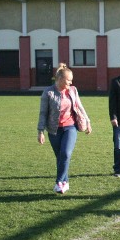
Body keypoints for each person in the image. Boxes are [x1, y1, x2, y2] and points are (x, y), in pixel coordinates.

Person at [37, 63, 92, 194]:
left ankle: (59, 182)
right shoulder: (48, 92)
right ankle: (65, 182)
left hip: (70, 127)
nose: (71, 82)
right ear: (60, 79)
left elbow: (79, 106)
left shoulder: (73, 90)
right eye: (68, 80)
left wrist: (88, 121)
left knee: (66, 154)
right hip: (54, 130)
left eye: (71, 80)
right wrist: (40, 131)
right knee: (60, 157)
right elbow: (43, 113)